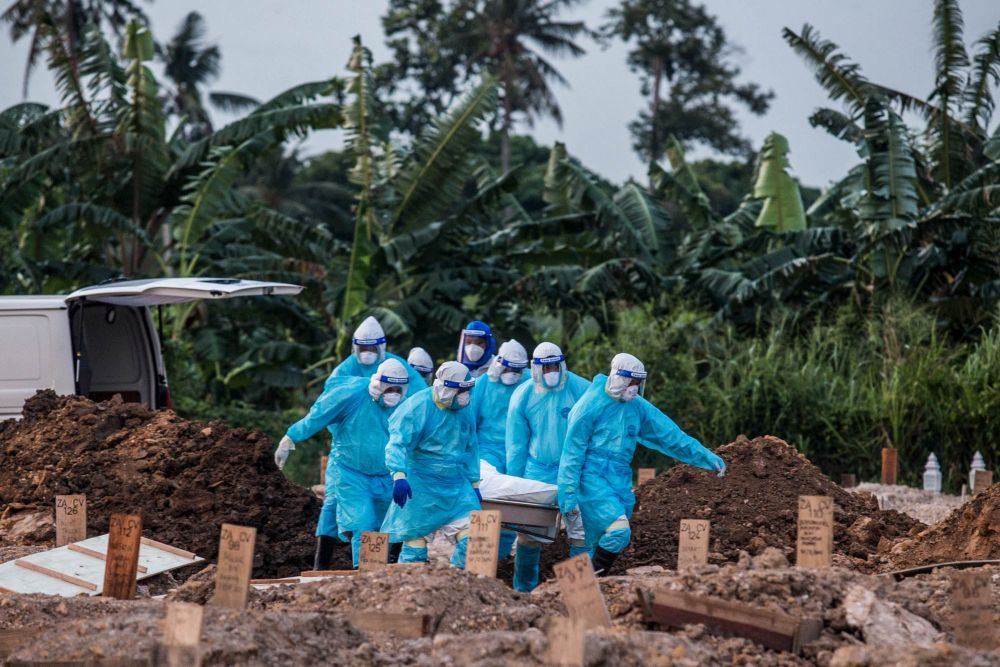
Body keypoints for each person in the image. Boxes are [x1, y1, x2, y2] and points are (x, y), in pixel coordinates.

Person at [558, 353, 726, 576]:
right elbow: (572, 454)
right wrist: (567, 496)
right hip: (591, 479)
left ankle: (579, 596)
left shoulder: (637, 407)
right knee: (615, 533)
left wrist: (704, 456)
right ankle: (594, 581)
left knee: (588, 542)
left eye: (639, 382)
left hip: (619, 480)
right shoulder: (589, 405)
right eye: (631, 381)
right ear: (619, 378)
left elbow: (669, 435)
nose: (635, 387)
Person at [278, 358, 411, 569]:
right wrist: (291, 438)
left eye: (398, 388)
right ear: (379, 383)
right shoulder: (352, 394)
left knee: (384, 527)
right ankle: (363, 573)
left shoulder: (407, 405)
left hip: (386, 476)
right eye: (390, 387)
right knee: (362, 523)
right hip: (350, 473)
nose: (394, 392)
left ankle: (379, 581)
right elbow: (318, 416)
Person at [505, 341, 591, 592]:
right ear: (535, 368)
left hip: (574, 471)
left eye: (555, 365)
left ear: (563, 364)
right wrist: (516, 484)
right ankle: (524, 590)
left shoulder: (581, 389)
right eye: (546, 366)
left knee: (580, 529)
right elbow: (516, 445)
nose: (551, 371)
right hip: (537, 471)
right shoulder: (523, 395)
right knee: (530, 534)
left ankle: (581, 591)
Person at [380, 361, 481, 565]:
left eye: (468, 390)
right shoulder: (416, 407)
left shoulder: (464, 409)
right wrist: (398, 476)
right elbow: (397, 444)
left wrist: (474, 483)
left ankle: (460, 588)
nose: (465, 396)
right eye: (461, 391)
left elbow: (471, 447)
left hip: (456, 489)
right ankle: (407, 593)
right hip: (421, 489)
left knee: (474, 542)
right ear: (446, 389)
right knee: (414, 551)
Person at [326, 316, 427, 389]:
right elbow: (331, 387)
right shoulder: (349, 365)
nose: (367, 353)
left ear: (380, 347)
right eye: (363, 349)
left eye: (372, 349)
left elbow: (418, 388)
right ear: (356, 348)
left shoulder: (395, 363)